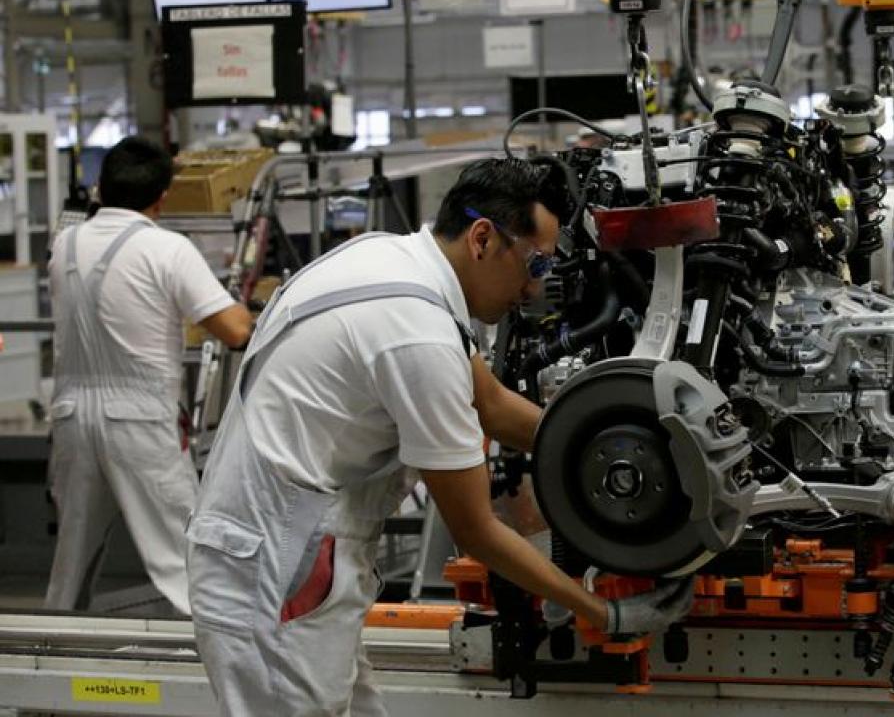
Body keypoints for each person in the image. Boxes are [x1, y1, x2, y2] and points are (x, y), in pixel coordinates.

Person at [187, 158, 693, 715]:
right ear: (483, 238)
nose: (535, 286)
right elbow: (475, 530)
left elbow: (493, 405)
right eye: (536, 263)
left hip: (289, 554)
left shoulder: (392, 262)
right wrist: (601, 612)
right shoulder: (417, 336)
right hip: (275, 570)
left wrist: (605, 448)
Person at [45, 136, 253, 614]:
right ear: (163, 196)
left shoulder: (65, 244)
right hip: (138, 419)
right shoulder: (167, 249)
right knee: (183, 554)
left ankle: (56, 653)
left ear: (100, 187)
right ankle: (216, 657)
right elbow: (235, 330)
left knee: (72, 559)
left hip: (72, 418)